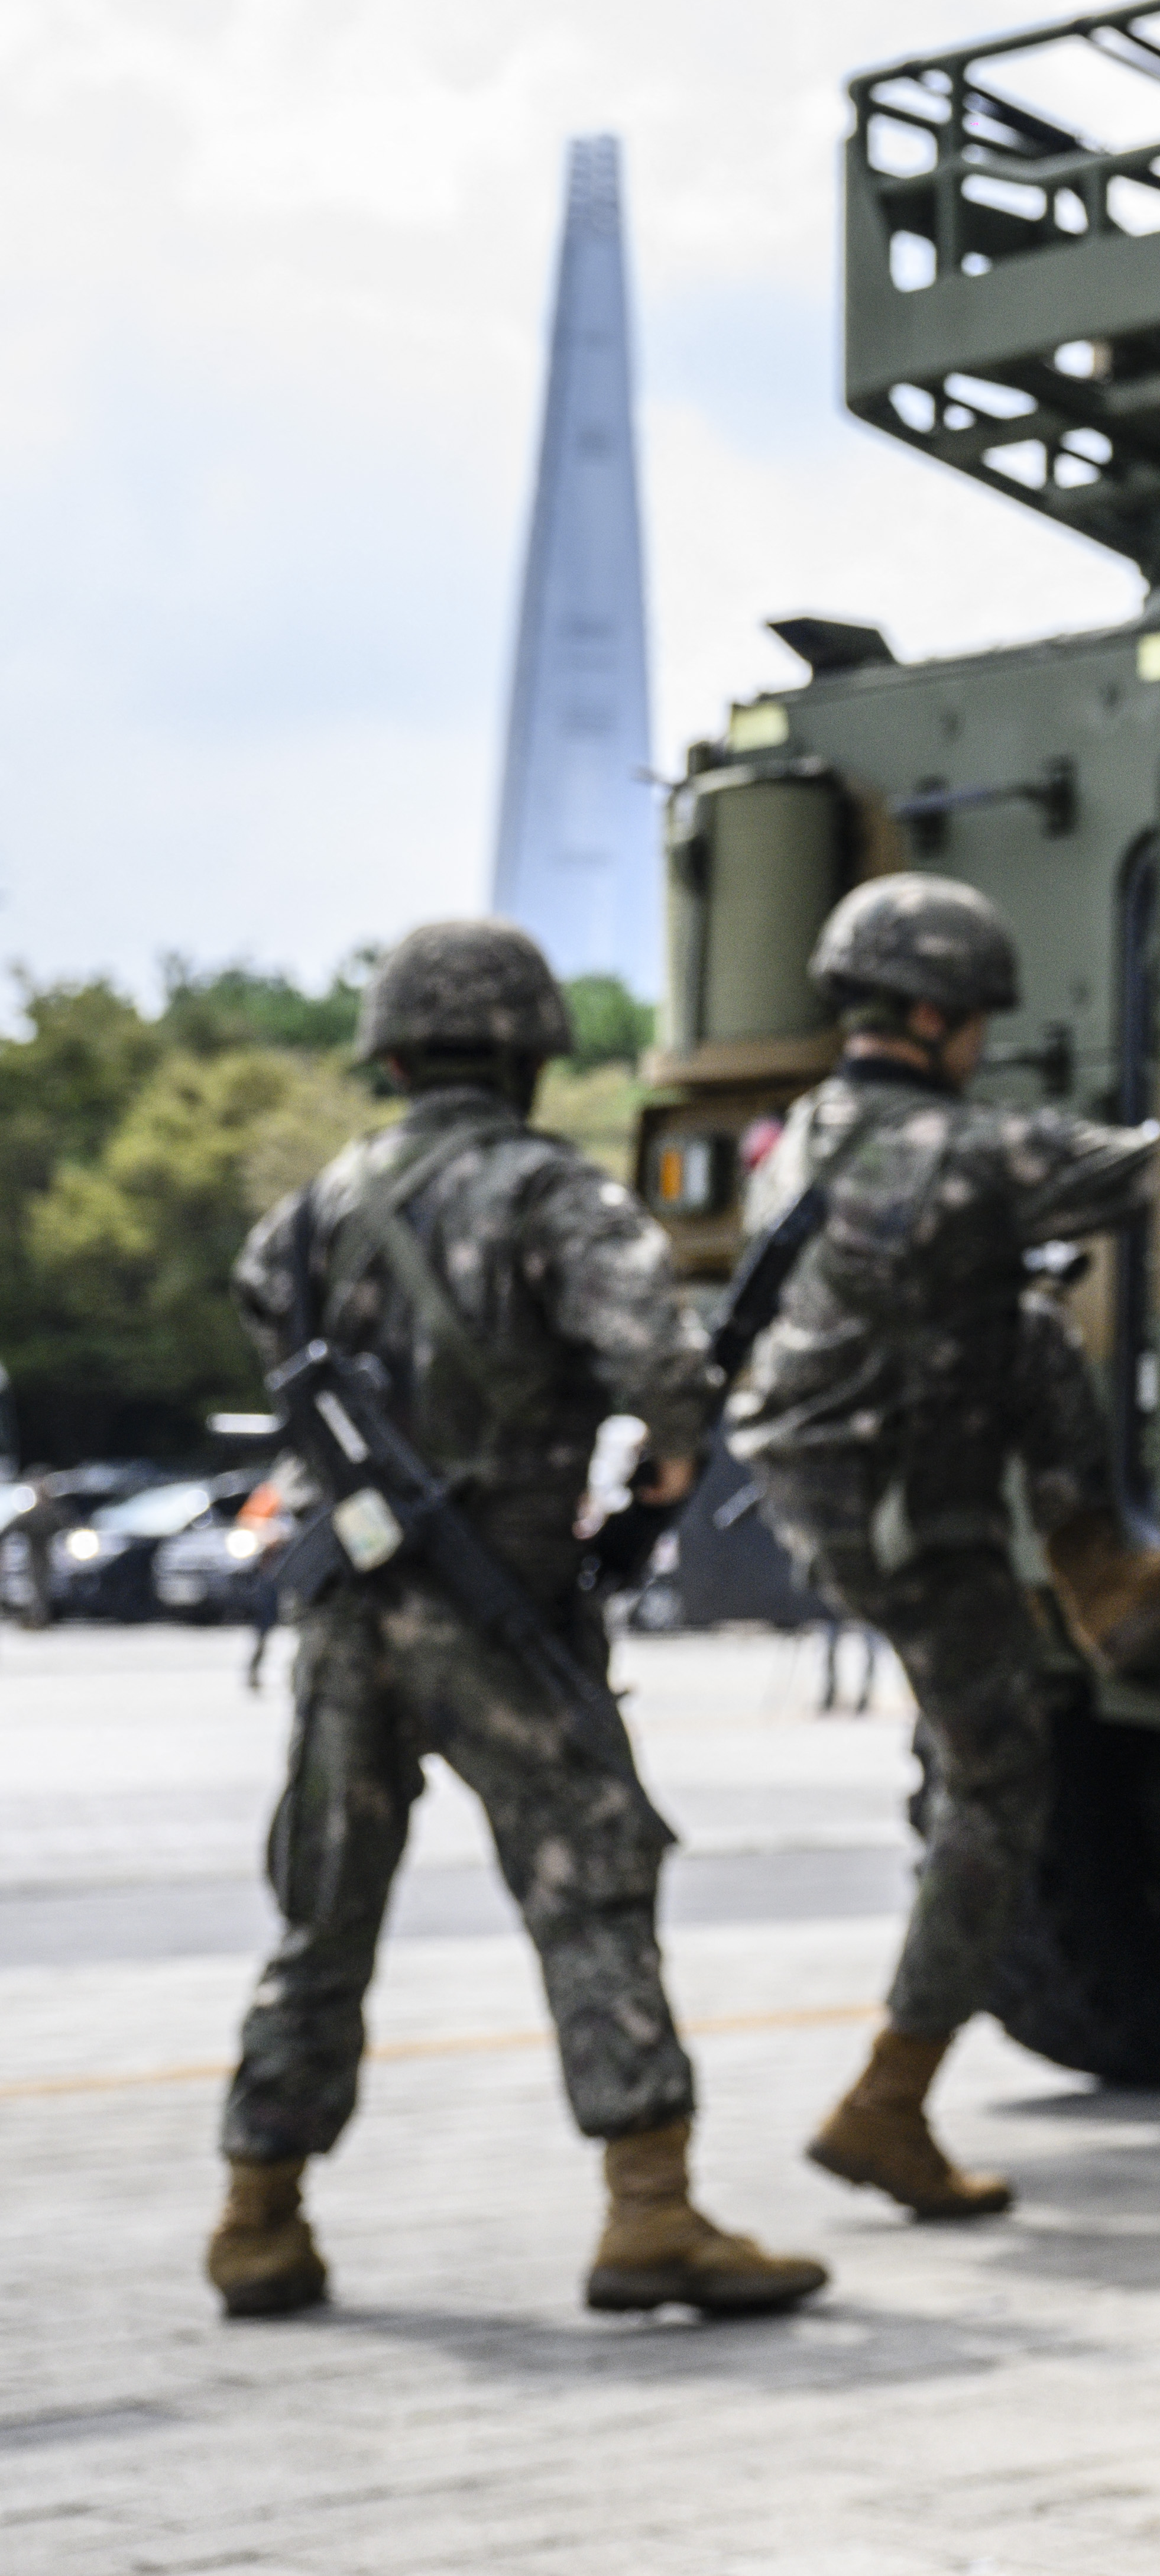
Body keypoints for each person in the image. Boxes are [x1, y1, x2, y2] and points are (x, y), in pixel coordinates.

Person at [210, 919, 825, 2322]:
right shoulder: (549, 1191)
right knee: (593, 1879)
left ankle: (258, 2215)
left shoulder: (303, 1216)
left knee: (323, 1908)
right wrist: (664, 1457)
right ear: (529, 1054)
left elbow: (281, 1350)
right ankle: (650, 2211)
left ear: (392, 1054)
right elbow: (659, 1366)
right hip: (495, 1608)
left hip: (345, 1601)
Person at [730, 872, 1160, 2221]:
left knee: (1024, 1317)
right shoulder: (957, 1149)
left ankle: (1092, 1567)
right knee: (998, 1783)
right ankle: (890, 2100)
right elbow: (1147, 1171)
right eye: (977, 1018)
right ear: (934, 1019)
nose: (983, 1042)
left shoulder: (793, 1141)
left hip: (816, 1489)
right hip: (907, 1509)